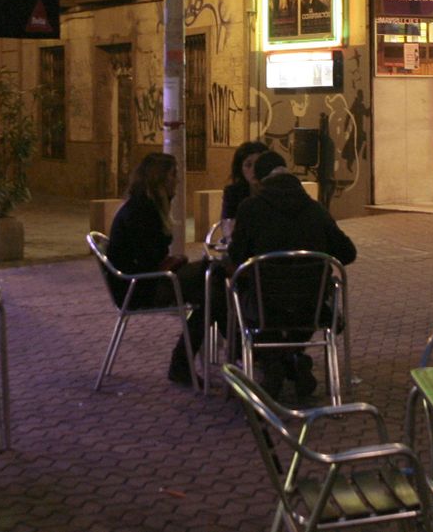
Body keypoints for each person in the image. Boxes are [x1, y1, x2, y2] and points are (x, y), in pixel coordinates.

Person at [228, 161, 357, 400]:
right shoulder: (316, 209)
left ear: (263, 184)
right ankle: (293, 359)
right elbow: (348, 253)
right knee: (293, 306)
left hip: (264, 307)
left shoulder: (250, 208)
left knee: (237, 294)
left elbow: (236, 256)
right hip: (311, 308)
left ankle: (273, 362)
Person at [107, 152, 224, 386]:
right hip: (139, 287)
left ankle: (187, 362)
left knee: (213, 284)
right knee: (214, 285)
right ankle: (238, 353)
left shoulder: (144, 205)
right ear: (159, 179)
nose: (177, 182)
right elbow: (151, 257)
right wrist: (174, 261)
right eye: (173, 176)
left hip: (143, 280)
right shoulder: (143, 211)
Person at [220, 141, 270, 225]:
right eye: (248, 165)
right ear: (240, 169)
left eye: (259, 164)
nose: (254, 170)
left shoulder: (276, 190)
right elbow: (227, 222)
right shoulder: (233, 193)